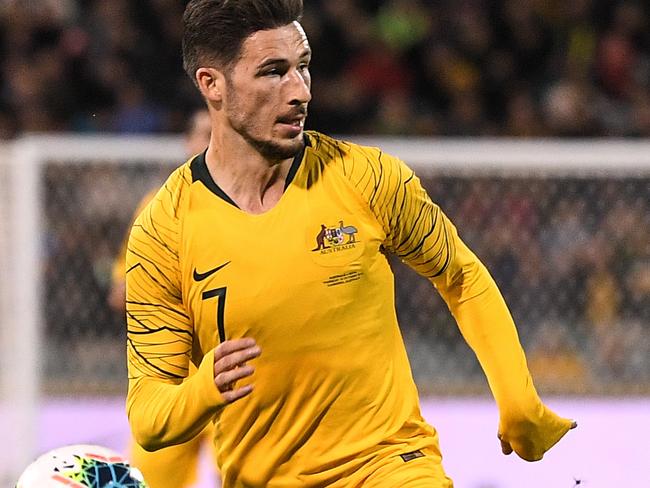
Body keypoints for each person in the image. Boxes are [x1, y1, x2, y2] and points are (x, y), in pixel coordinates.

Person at [125, 1, 576, 486]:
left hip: (392, 466)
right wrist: (202, 390)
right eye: (273, 72)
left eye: (304, 67)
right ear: (211, 84)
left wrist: (518, 399)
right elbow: (149, 413)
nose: (299, 91)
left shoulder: (368, 178)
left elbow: (461, 275)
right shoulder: (164, 227)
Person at [109, 108, 219, 488]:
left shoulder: (268, 206)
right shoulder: (156, 209)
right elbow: (122, 294)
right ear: (187, 143)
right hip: (170, 381)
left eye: (222, 133)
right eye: (204, 133)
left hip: (240, 377)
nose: (213, 142)